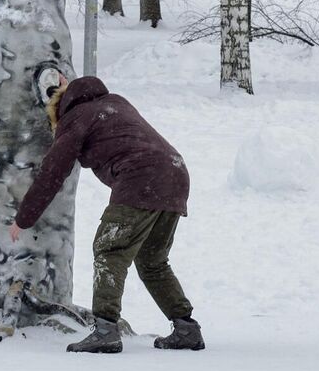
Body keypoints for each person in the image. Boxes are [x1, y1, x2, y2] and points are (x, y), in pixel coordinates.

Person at [10, 74, 200, 354]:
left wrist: (22, 219)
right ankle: (186, 328)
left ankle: (105, 330)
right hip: (175, 173)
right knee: (152, 260)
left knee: (109, 249)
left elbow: (52, 172)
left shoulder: (75, 117)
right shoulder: (114, 102)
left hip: (141, 178)